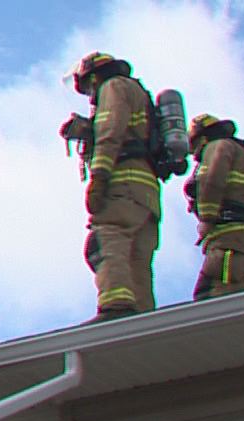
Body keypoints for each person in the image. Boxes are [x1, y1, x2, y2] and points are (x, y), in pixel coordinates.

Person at [69, 51, 161, 320]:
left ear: (94, 77)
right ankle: (142, 318)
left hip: (123, 184)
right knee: (136, 258)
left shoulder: (113, 87)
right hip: (146, 192)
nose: (90, 95)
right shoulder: (136, 92)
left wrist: (99, 177)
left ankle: (115, 306)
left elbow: (111, 131)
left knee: (107, 239)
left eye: (88, 88)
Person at [186, 113, 244, 300]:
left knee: (213, 295)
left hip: (230, 242)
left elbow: (211, 180)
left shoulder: (218, 146)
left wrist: (207, 218)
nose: (194, 154)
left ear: (202, 137)